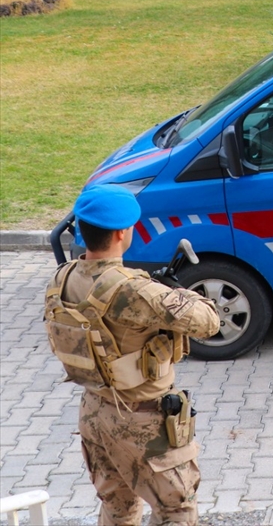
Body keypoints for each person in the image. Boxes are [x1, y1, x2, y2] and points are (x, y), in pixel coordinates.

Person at [43, 185, 220, 525]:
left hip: (95, 413)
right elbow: (208, 322)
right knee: (177, 508)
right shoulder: (135, 290)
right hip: (142, 420)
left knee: (118, 508)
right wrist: (178, 291)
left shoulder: (62, 278)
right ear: (123, 232)